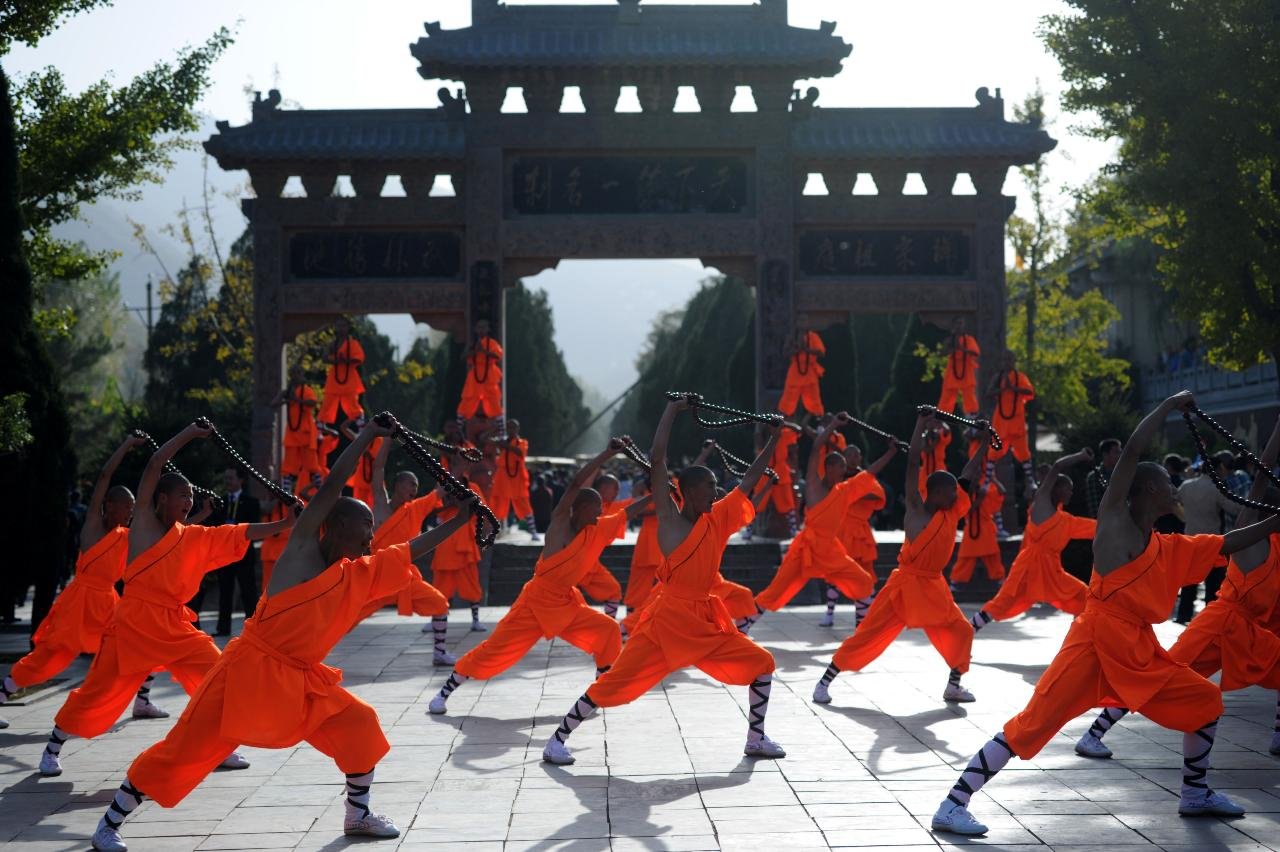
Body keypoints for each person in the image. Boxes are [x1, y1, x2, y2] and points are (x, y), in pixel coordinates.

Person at [87, 416, 476, 852]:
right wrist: (366, 436)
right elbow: (331, 488)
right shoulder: (302, 553)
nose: (372, 536)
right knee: (181, 751)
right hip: (246, 673)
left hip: (301, 679)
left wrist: (461, 520)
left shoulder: (357, 571)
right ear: (337, 527)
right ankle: (110, 822)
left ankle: (358, 814)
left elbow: (406, 550)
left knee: (359, 724)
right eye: (365, 527)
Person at [930, 392, 1280, 836]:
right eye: (1167, 485)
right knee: (1032, 725)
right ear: (1150, 489)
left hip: (1138, 652)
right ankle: (952, 804)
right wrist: (1168, 406)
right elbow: (1133, 452)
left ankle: (1195, 793)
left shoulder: (1166, 546)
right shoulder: (1115, 522)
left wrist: (1275, 521)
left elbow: (1226, 544)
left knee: (1205, 701)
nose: (1175, 490)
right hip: (1092, 645)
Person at [40, 423, 294, 778]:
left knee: (216, 674)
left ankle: (218, 746)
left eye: (191, 497)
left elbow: (235, 534)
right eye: (182, 496)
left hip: (174, 624)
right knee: (97, 693)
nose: (189, 502)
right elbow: (157, 462)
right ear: (161, 499)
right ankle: (53, 747)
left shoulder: (190, 535)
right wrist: (191, 433)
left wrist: (284, 524)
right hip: (133, 623)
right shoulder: (143, 522)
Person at [541, 398, 785, 765]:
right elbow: (658, 461)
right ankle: (557, 739)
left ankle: (756, 737)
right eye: (709, 486)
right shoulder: (671, 523)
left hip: (705, 619)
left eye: (716, 486)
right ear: (688, 492)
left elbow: (749, 481)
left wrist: (773, 440)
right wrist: (671, 410)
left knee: (762, 663)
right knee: (614, 684)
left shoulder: (716, 518)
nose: (716, 492)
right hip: (666, 622)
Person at [1075, 416, 1280, 760]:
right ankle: (1094, 733)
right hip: (1217, 626)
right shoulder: (1253, 535)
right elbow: (1261, 475)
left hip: (1251, 631)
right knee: (1155, 680)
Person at [429, 440, 649, 716]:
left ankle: (600, 691)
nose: (598, 515)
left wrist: (657, 494)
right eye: (593, 510)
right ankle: (445, 691)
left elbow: (627, 513)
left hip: (567, 603)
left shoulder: (596, 528)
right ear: (576, 509)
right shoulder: (559, 526)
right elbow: (575, 484)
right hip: (535, 602)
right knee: (493, 651)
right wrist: (607, 453)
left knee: (607, 631)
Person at [813, 411, 989, 706]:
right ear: (934, 493)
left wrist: (983, 443)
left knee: (961, 630)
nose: (956, 497)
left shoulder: (951, 512)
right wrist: (919, 423)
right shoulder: (917, 511)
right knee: (867, 634)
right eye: (949, 492)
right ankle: (825, 681)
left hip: (934, 587)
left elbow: (968, 477)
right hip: (904, 587)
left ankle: (954, 685)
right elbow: (912, 464)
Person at [0, 435, 153, 727]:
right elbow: (106, 475)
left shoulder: (126, 536)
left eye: (133, 507)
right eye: (127, 506)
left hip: (108, 601)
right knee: (50, 657)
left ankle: (142, 701)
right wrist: (127, 445)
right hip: (80, 601)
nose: (131, 512)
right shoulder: (93, 526)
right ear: (110, 505)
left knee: (138, 641)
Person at [753, 414, 877, 627]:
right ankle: (742, 626)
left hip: (830, 550)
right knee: (774, 592)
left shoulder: (843, 490)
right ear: (829, 468)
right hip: (805, 549)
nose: (844, 469)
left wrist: (893, 453)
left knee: (863, 581)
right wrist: (833, 425)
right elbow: (816, 446)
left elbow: (868, 477)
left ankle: (864, 627)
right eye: (841, 466)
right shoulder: (814, 486)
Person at [969, 449, 1095, 632]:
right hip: (1028, 568)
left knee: (1083, 595)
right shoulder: (1041, 504)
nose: (1071, 492)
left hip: (1052, 571)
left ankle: (1081, 634)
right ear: (1056, 488)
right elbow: (1058, 465)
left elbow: (1090, 527)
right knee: (1003, 602)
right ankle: (971, 627)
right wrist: (1081, 456)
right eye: (1068, 487)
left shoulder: (1064, 520)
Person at [830, 441, 897, 627]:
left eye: (856, 454)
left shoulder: (864, 477)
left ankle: (864, 618)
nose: (853, 458)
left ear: (860, 457)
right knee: (837, 571)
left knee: (866, 575)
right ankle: (829, 613)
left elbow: (878, 496)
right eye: (849, 455)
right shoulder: (838, 477)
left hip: (860, 531)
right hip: (841, 530)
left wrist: (855, 493)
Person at [1174, 451, 1237, 623]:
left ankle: (1183, 615)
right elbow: (1233, 509)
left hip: (1190, 539)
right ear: (1217, 468)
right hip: (1212, 542)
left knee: (1188, 583)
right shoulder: (1216, 489)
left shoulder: (1186, 485)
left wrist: (1184, 516)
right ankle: (1211, 620)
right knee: (1213, 586)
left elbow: (1174, 501)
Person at [429, 480, 489, 643]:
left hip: (465, 541)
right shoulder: (442, 485)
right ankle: (434, 617)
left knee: (471, 582)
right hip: (446, 540)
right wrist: (451, 504)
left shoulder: (472, 486)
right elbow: (431, 509)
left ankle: (475, 619)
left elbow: (482, 510)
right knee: (440, 584)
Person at [208, 467, 262, 637]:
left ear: (240, 481)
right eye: (226, 479)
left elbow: (255, 526)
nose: (228, 482)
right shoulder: (221, 502)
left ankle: (253, 628)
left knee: (249, 592)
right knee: (225, 591)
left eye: (231, 478)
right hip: (225, 555)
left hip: (245, 553)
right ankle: (223, 628)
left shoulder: (252, 502)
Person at [576, 474, 627, 619]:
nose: (618, 491)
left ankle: (608, 624)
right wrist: (603, 457)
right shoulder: (584, 504)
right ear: (603, 488)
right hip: (571, 562)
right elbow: (581, 486)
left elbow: (632, 505)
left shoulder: (613, 507)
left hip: (591, 564)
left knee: (614, 590)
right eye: (615, 488)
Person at [986, 349, 1037, 493]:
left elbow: (1030, 392)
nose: (1006, 362)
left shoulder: (1020, 377)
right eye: (1004, 360)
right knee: (993, 451)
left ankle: (1031, 480)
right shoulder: (998, 377)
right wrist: (1002, 390)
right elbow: (988, 393)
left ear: (1014, 361)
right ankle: (987, 482)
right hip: (1001, 420)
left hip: (1016, 420)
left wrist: (1013, 388)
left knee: (1023, 452)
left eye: (1009, 359)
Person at [949, 471, 1006, 587]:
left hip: (985, 528)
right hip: (971, 529)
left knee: (992, 556)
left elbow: (1002, 492)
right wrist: (979, 498)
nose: (976, 477)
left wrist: (993, 479)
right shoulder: (964, 492)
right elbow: (967, 511)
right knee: (965, 558)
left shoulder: (986, 489)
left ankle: (1000, 578)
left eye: (978, 474)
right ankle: (956, 581)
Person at [274, 364, 323, 487]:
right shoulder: (288, 391)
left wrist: (297, 400)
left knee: (312, 465)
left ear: (302, 375)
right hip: (292, 434)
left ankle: (320, 490)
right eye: (293, 374)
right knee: (288, 467)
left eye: (298, 373)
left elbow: (313, 402)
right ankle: (286, 492)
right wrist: (283, 397)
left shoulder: (306, 390)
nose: (295, 376)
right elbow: (273, 403)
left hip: (305, 433)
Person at [489, 419, 537, 540]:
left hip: (517, 477)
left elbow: (520, 453)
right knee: (497, 503)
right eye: (509, 427)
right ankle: (493, 531)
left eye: (513, 428)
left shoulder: (522, 442)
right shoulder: (502, 441)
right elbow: (486, 441)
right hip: (502, 476)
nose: (511, 430)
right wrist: (494, 434)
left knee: (524, 503)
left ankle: (533, 532)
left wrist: (503, 445)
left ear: (517, 429)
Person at [319, 317, 365, 426]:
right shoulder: (332, 344)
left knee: (352, 402)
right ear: (335, 327)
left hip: (349, 378)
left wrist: (346, 360)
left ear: (348, 327)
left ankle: (360, 422)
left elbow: (359, 358)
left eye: (343, 326)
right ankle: (321, 424)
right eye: (339, 326)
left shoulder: (352, 343)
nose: (341, 329)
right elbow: (324, 358)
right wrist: (335, 359)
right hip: (334, 378)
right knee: (328, 402)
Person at [457, 318, 503, 423]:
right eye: (479, 328)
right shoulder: (472, 344)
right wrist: (474, 351)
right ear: (476, 330)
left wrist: (484, 351)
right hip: (475, 375)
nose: (481, 330)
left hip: (489, 374)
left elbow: (498, 356)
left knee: (494, 400)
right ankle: (459, 428)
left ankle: (500, 431)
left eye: (484, 327)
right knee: (468, 399)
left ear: (488, 330)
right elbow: (463, 357)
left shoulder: (492, 343)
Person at [777, 326, 825, 418]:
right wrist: (797, 350)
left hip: (810, 372)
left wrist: (807, 350)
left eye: (804, 320)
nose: (802, 323)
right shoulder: (791, 337)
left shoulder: (813, 337)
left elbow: (821, 353)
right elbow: (785, 353)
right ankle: (782, 422)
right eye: (800, 320)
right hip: (795, 372)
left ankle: (817, 421)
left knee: (814, 402)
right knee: (787, 402)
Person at [937, 316, 981, 416]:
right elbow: (941, 353)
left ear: (964, 326)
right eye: (957, 323)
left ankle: (972, 416)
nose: (959, 326)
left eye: (961, 323)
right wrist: (950, 348)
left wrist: (961, 349)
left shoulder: (969, 339)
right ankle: (942, 417)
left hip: (966, 372)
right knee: (947, 395)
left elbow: (976, 353)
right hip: (953, 372)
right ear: (953, 326)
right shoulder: (949, 340)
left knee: (969, 395)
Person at [339, 416, 382, 508]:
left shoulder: (378, 440)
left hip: (374, 480)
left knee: (374, 508)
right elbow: (343, 428)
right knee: (358, 507)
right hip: (360, 479)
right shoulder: (360, 438)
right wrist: (354, 416)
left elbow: (375, 458)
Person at [1084, 438, 1122, 518]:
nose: (1119, 456)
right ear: (1105, 454)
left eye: (1120, 452)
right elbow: (1095, 510)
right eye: (1116, 452)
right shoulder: (1093, 477)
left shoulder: (1123, 474)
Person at [917, 419, 951, 499]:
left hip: (939, 467)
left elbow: (947, 431)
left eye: (933, 422)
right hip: (926, 470)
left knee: (941, 491)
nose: (931, 424)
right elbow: (926, 450)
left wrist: (941, 421)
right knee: (924, 493)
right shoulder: (923, 436)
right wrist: (935, 441)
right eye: (929, 422)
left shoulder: (939, 434)